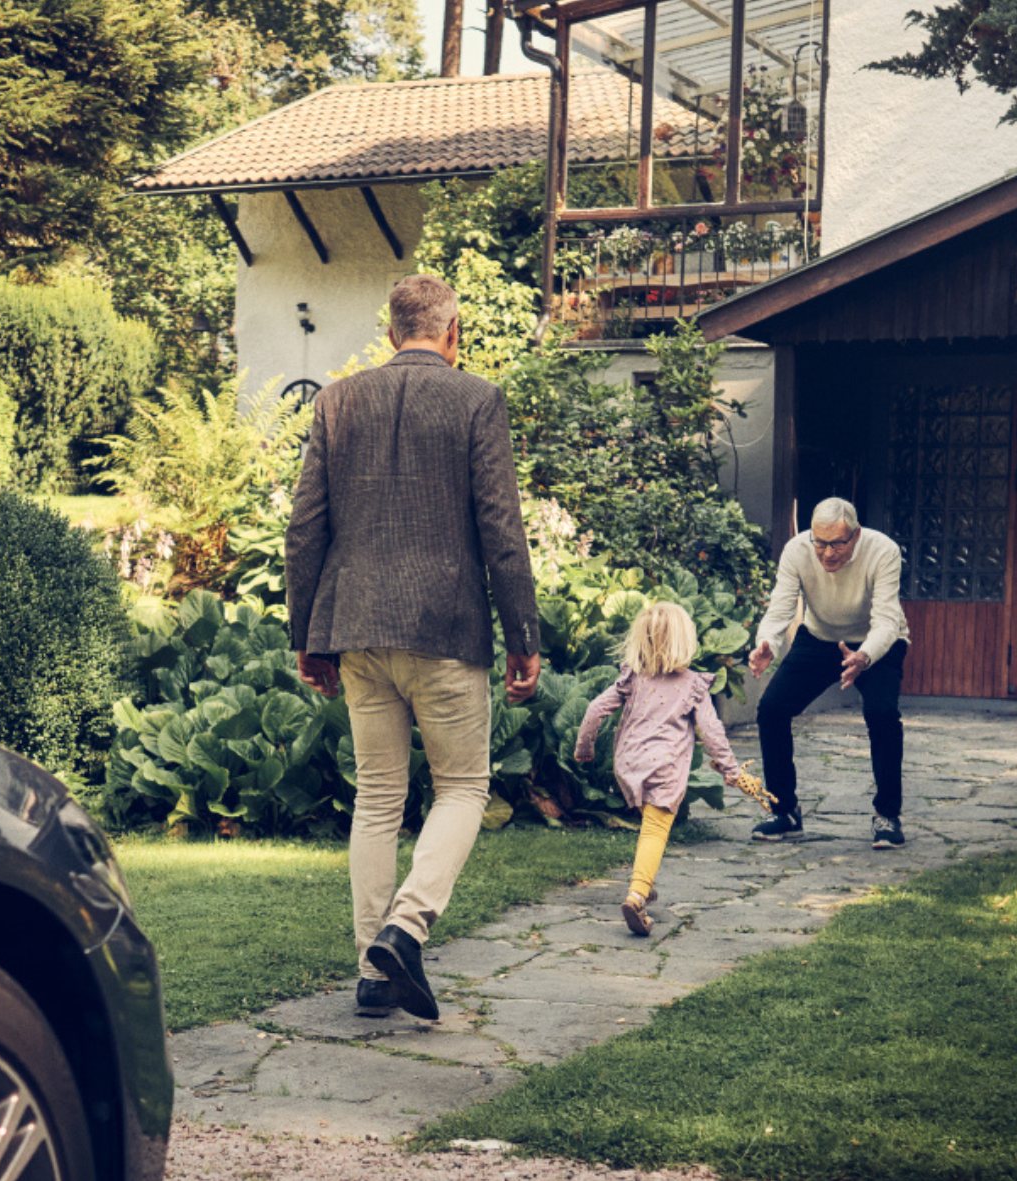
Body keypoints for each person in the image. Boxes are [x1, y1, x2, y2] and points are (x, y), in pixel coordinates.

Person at [286, 274, 542, 1022]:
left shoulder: (336, 401)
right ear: (453, 330)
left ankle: (373, 969)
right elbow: (502, 529)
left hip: (358, 629)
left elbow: (305, 530)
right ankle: (406, 925)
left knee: (377, 796)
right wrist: (524, 635)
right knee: (462, 786)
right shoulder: (476, 399)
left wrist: (307, 636)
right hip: (445, 629)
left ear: (391, 330)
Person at [572, 601, 751, 936]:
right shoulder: (694, 685)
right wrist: (731, 770)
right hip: (665, 768)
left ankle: (646, 882)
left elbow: (596, 709)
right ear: (686, 641)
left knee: (648, 824)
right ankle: (637, 895)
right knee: (655, 830)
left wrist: (584, 748)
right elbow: (711, 732)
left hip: (630, 764)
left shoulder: (632, 679)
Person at [745, 497, 912, 848]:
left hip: (877, 641)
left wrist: (864, 656)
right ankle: (784, 811)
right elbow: (781, 608)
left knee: (882, 714)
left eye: (838, 544)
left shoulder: (883, 551)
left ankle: (888, 816)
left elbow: (887, 620)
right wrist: (767, 644)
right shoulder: (796, 550)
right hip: (819, 637)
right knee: (772, 710)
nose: (828, 554)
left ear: (856, 535)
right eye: (820, 543)